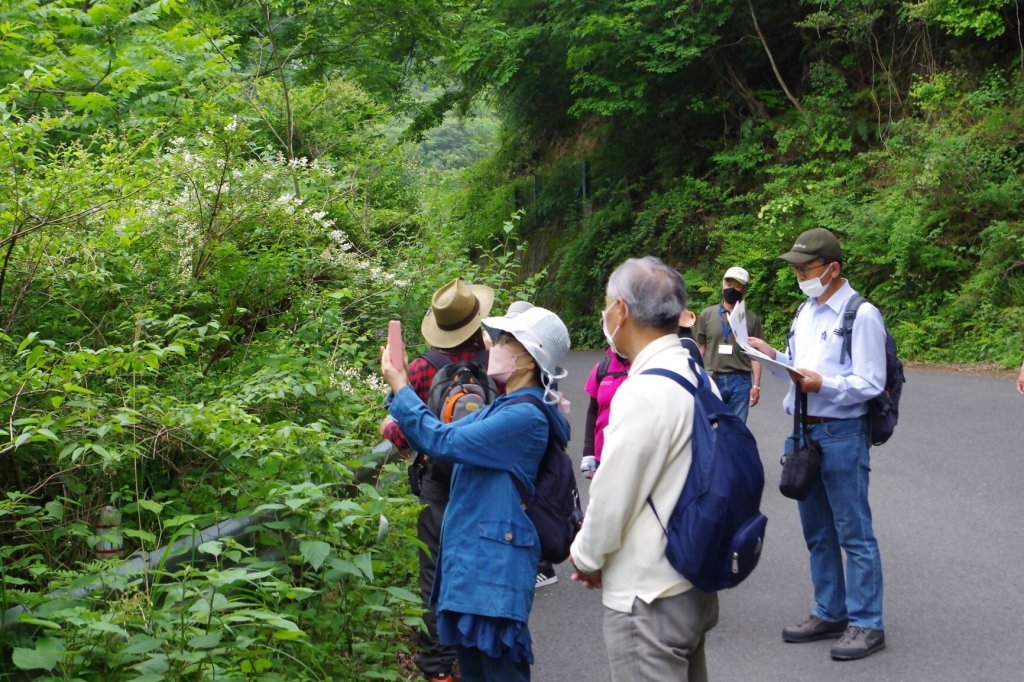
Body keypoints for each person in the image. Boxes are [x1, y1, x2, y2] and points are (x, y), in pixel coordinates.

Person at [382, 306, 572, 682]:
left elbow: (443, 439)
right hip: (475, 566)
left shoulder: (525, 417)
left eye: (505, 341)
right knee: (477, 671)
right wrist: (398, 396)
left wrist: (401, 386)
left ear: (528, 359)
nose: (494, 346)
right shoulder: (505, 405)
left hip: (493, 570)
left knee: (499, 670)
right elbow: (436, 433)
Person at [569, 256, 719, 682]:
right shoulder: (694, 373)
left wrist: (585, 556)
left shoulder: (643, 390)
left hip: (648, 595)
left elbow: (613, 497)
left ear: (621, 311)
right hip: (692, 578)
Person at [747, 228, 887, 661]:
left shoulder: (861, 315)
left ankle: (867, 623)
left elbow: (871, 382)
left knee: (854, 532)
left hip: (842, 433)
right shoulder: (804, 313)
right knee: (817, 532)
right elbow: (797, 369)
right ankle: (830, 611)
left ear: (833, 269)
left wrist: (822, 382)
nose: (798, 276)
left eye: (805, 268)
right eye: (795, 269)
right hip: (804, 430)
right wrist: (773, 356)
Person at [379, 279, 497, 682]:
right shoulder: (494, 361)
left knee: (435, 574)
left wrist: (388, 426)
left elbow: (406, 432)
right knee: (480, 568)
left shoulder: (423, 367)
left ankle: (436, 668)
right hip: (486, 482)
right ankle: (476, 658)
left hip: (440, 485)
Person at [694, 266, 762, 422]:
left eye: (737, 285)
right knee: (711, 427)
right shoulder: (707, 314)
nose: (731, 288)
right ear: (722, 284)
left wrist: (756, 385)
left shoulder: (751, 319)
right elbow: (700, 348)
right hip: (713, 378)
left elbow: (756, 356)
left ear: (744, 289)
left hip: (741, 381)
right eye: (728, 283)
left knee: (736, 430)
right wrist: (698, 377)